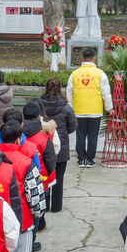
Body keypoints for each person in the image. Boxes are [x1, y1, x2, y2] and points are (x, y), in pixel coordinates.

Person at [0, 119, 46, 252]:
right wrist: (37, 215)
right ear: (18, 140)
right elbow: (36, 197)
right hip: (21, 218)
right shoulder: (25, 162)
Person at [66, 48, 113, 167]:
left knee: (80, 134)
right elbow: (105, 93)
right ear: (94, 59)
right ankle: (90, 160)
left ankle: (81, 159)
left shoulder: (74, 74)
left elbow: (69, 93)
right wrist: (109, 108)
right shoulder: (100, 74)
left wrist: (71, 109)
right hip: (95, 111)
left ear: (82, 59)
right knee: (93, 135)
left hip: (79, 110)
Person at [39, 78, 77, 213]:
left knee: (43, 175)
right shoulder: (66, 107)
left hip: (42, 145)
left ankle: (44, 204)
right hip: (61, 146)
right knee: (59, 177)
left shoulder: (40, 105)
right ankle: (56, 206)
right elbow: (73, 126)